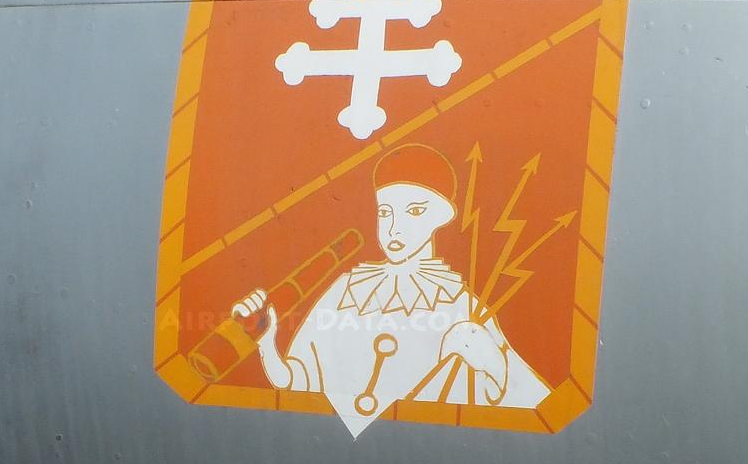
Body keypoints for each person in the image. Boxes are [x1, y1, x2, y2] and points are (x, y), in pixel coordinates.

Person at [232, 144, 548, 435]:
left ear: (441, 215)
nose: (394, 228)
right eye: (385, 212)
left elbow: (530, 404)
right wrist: (267, 344)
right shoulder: (346, 290)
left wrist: (493, 364)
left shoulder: (459, 303)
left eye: (414, 211)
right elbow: (296, 383)